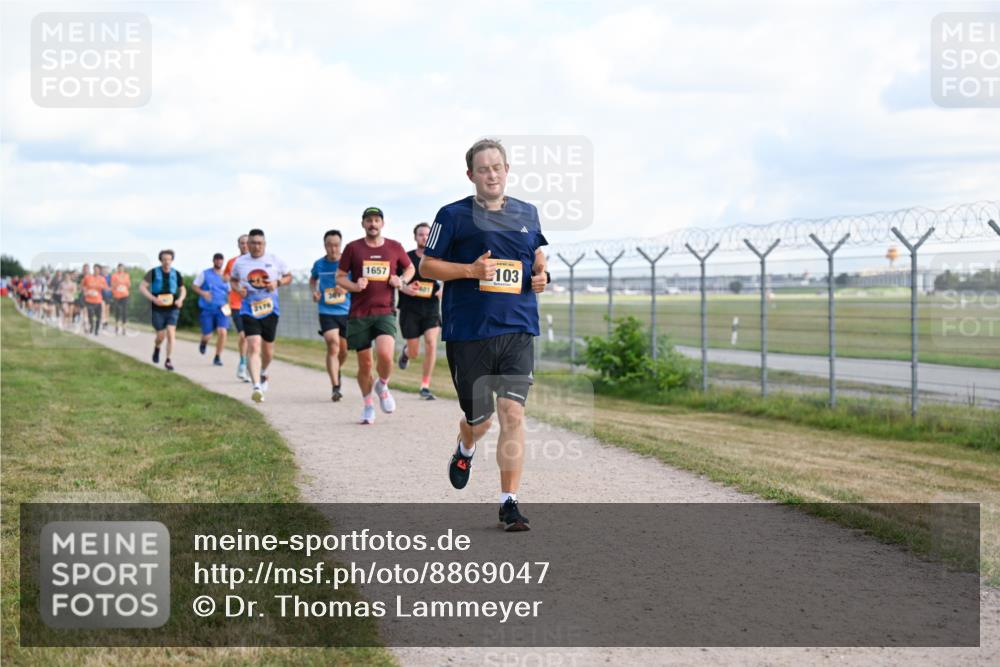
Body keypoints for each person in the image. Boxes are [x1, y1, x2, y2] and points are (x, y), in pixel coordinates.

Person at [420, 138, 549, 532]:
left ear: (507, 170)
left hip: (518, 327)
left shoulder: (528, 212)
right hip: (469, 331)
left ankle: (509, 503)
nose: (491, 174)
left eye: (497, 167)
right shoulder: (453, 215)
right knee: (481, 420)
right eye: (483, 169)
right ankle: (466, 445)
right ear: (470, 175)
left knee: (513, 413)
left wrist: (541, 273)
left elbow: (537, 252)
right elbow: (427, 266)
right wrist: (471, 272)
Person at [336, 207, 414, 424]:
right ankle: (368, 405)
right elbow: (340, 277)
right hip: (359, 313)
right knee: (365, 365)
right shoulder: (353, 248)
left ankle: (383, 384)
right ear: (363, 224)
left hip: (385, 311)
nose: (373, 224)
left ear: (382, 223)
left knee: (386, 356)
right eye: (369, 220)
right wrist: (354, 285)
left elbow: (409, 269)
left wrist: (401, 280)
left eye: (376, 220)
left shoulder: (394, 247)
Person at [228, 229, 291, 403]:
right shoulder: (240, 263)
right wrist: (237, 289)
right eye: (253, 243)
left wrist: (277, 282)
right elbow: (233, 280)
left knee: (268, 351)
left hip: (270, 310)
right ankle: (256, 386)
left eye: (260, 243)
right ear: (247, 245)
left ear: (265, 244)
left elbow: (288, 277)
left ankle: (263, 372)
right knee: (254, 345)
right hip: (249, 309)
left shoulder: (274, 260)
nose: (256, 246)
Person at [396, 222, 443, 400]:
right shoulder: (406, 258)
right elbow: (395, 280)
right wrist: (405, 288)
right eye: (421, 234)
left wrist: (443, 290)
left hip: (431, 307)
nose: (424, 237)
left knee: (431, 342)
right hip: (410, 309)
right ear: (415, 237)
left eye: (427, 234)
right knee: (415, 352)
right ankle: (406, 353)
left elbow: (449, 275)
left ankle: (425, 386)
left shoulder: (437, 257)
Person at [310, 230, 351, 402]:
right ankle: (335, 386)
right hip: (326, 311)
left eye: (336, 245)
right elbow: (313, 280)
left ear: (340, 245)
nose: (333, 249)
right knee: (332, 344)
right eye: (329, 245)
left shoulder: (347, 263)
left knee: (343, 350)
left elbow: (358, 284)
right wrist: (315, 292)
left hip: (346, 311)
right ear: (324, 245)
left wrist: (346, 287)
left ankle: (336, 370)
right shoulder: (319, 264)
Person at [139, 250, 187, 371]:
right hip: (157, 308)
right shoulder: (153, 272)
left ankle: (168, 360)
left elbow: (183, 289)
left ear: (172, 260)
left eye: (169, 259)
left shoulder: (176, 274)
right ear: (161, 260)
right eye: (164, 259)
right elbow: (142, 287)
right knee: (161, 336)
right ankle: (157, 348)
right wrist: (153, 299)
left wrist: (180, 299)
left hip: (172, 307)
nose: (166, 262)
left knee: (171, 333)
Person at [192, 253, 231, 366]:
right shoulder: (205, 274)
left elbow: (230, 292)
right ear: (213, 261)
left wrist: (230, 305)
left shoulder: (226, 276)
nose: (219, 262)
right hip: (207, 308)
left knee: (222, 332)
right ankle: (203, 342)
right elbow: (194, 286)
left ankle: (217, 357)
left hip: (222, 309)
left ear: (223, 262)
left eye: (221, 260)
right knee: (208, 335)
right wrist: (203, 293)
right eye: (217, 260)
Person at [224, 235, 251, 382]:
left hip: (253, 304)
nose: (245, 246)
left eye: (247, 243)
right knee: (243, 336)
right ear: (238, 245)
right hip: (236, 304)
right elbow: (226, 277)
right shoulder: (232, 262)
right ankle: (242, 363)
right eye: (242, 243)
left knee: (253, 338)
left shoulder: (256, 262)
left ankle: (250, 364)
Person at [80, 265, 106, 336]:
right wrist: (85, 291)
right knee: (90, 315)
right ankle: (92, 327)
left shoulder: (102, 279)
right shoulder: (87, 277)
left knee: (98, 317)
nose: (96, 271)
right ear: (93, 270)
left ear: (99, 271)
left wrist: (102, 287)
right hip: (89, 300)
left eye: (97, 270)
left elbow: (105, 287)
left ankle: (96, 331)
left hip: (98, 300)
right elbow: (82, 286)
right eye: (94, 269)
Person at [110, 263, 131, 335]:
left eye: (122, 268)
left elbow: (128, 285)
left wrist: (124, 287)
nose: (121, 269)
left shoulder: (126, 275)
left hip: (125, 295)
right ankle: (117, 326)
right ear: (117, 268)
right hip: (117, 295)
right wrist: (118, 286)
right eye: (119, 268)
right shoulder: (114, 275)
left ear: (123, 268)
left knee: (125, 311)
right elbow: (112, 285)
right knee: (118, 310)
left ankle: (124, 328)